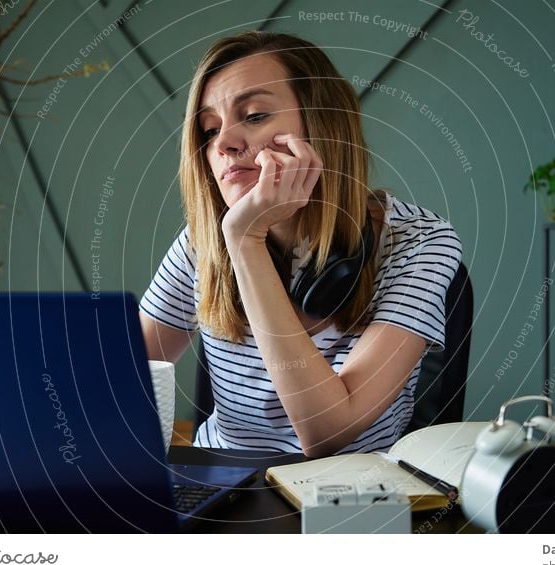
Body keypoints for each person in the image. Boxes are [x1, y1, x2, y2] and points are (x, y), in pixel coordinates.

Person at [139, 31, 461, 458]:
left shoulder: (419, 242)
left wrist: (246, 240)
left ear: (323, 124)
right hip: (218, 480)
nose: (223, 143)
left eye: (254, 115)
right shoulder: (203, 241)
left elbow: (327, 433)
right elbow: (115, 383)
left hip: (347, 498)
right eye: (210, 129)